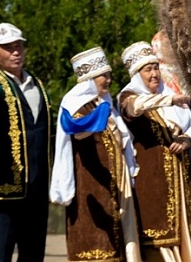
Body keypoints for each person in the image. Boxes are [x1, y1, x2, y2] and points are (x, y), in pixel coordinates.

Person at [118, 41, 191, 262]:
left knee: (184, 234)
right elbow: (135, 107)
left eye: (156, 67)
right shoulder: (128, 96)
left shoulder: (168, 92)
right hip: (152, 181)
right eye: (147, 70)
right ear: (137, 74)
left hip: (181, 180)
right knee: (158, 237)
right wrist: (169, 100)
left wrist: (187, 139)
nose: (154, 74)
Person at [49, 47, 142, 262]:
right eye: (104, 76)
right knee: (94, 246)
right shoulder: (77, 105)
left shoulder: (104, 104)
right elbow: (77, 128)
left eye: (109, 75)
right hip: (90, 189)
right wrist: (97, 117)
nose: (109, 80)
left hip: (112, 189)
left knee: (115, 248)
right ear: (90, 79)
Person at [0, 23, 51, 262]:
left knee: (33, 254)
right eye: (7, 48)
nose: (15, 52)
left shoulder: (36, 83)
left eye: (19, 46)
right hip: (2, 191)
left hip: (36, 189)